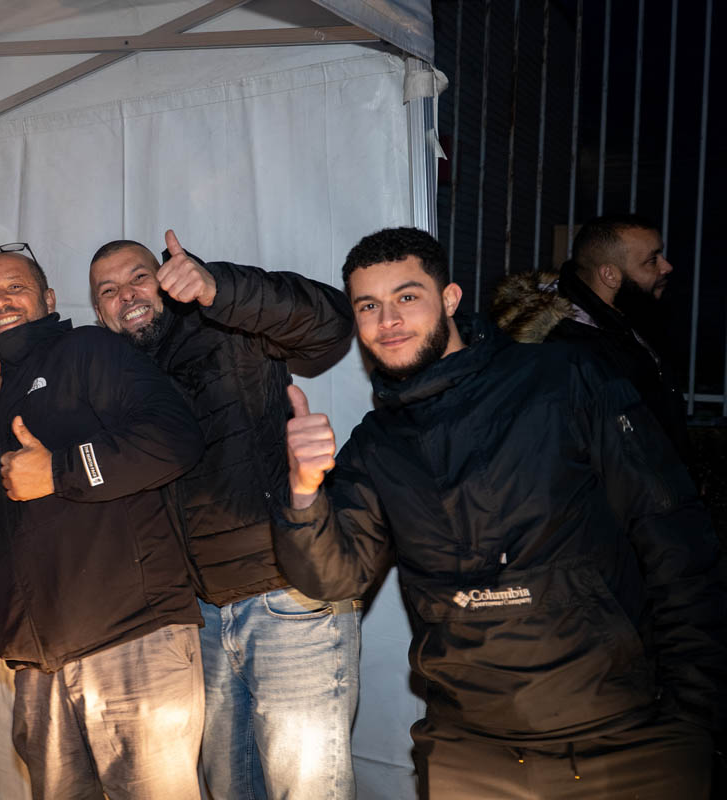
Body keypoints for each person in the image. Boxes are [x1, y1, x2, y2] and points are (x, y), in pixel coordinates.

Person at [277, 226, 726, 799]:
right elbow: (332, 579)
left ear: (450, 299)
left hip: (626, 741)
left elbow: (674, 536)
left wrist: (695, 715)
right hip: (470, 754)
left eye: (407, 296)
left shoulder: (561, 378)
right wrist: (304, 491)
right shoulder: (376, 445)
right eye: (368, 305)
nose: (388, 320)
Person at [0, 243, 206, 800]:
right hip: (39, 666)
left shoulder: (90, 350)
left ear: (48, 299)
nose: (1, 300)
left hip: (132, 639)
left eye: (16, 287)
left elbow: (177, 439)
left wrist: (59, 470)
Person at [87, 231, 360, 799]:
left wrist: (219, 287)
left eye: (138, 277)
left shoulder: (226, 322)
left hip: (288, 599)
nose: (126, 295)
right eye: (108, 291)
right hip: (202, 621)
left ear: (166, 280)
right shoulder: (117, 383)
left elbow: (332, 323)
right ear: (99, 312)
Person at [491, 213, 690, 462]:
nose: (666, 266)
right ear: (610, 275)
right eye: (652, 260)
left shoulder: (633, 314)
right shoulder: (565, 348)